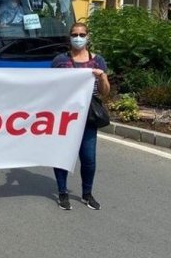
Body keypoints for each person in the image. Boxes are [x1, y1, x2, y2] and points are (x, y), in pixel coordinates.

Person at [50, 22, 110, 211]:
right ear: (70, 37)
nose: (78, 38)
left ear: (87, 37)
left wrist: (102, 77)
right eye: (75, 34)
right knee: (62, 155)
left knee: (88, 158)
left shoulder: (97, 61)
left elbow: (105, 92)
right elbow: (49, 86)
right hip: (65, 116)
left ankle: (87, 194)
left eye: (82, 34)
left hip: (87, 117)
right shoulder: (59, 61)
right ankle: (62, 192)